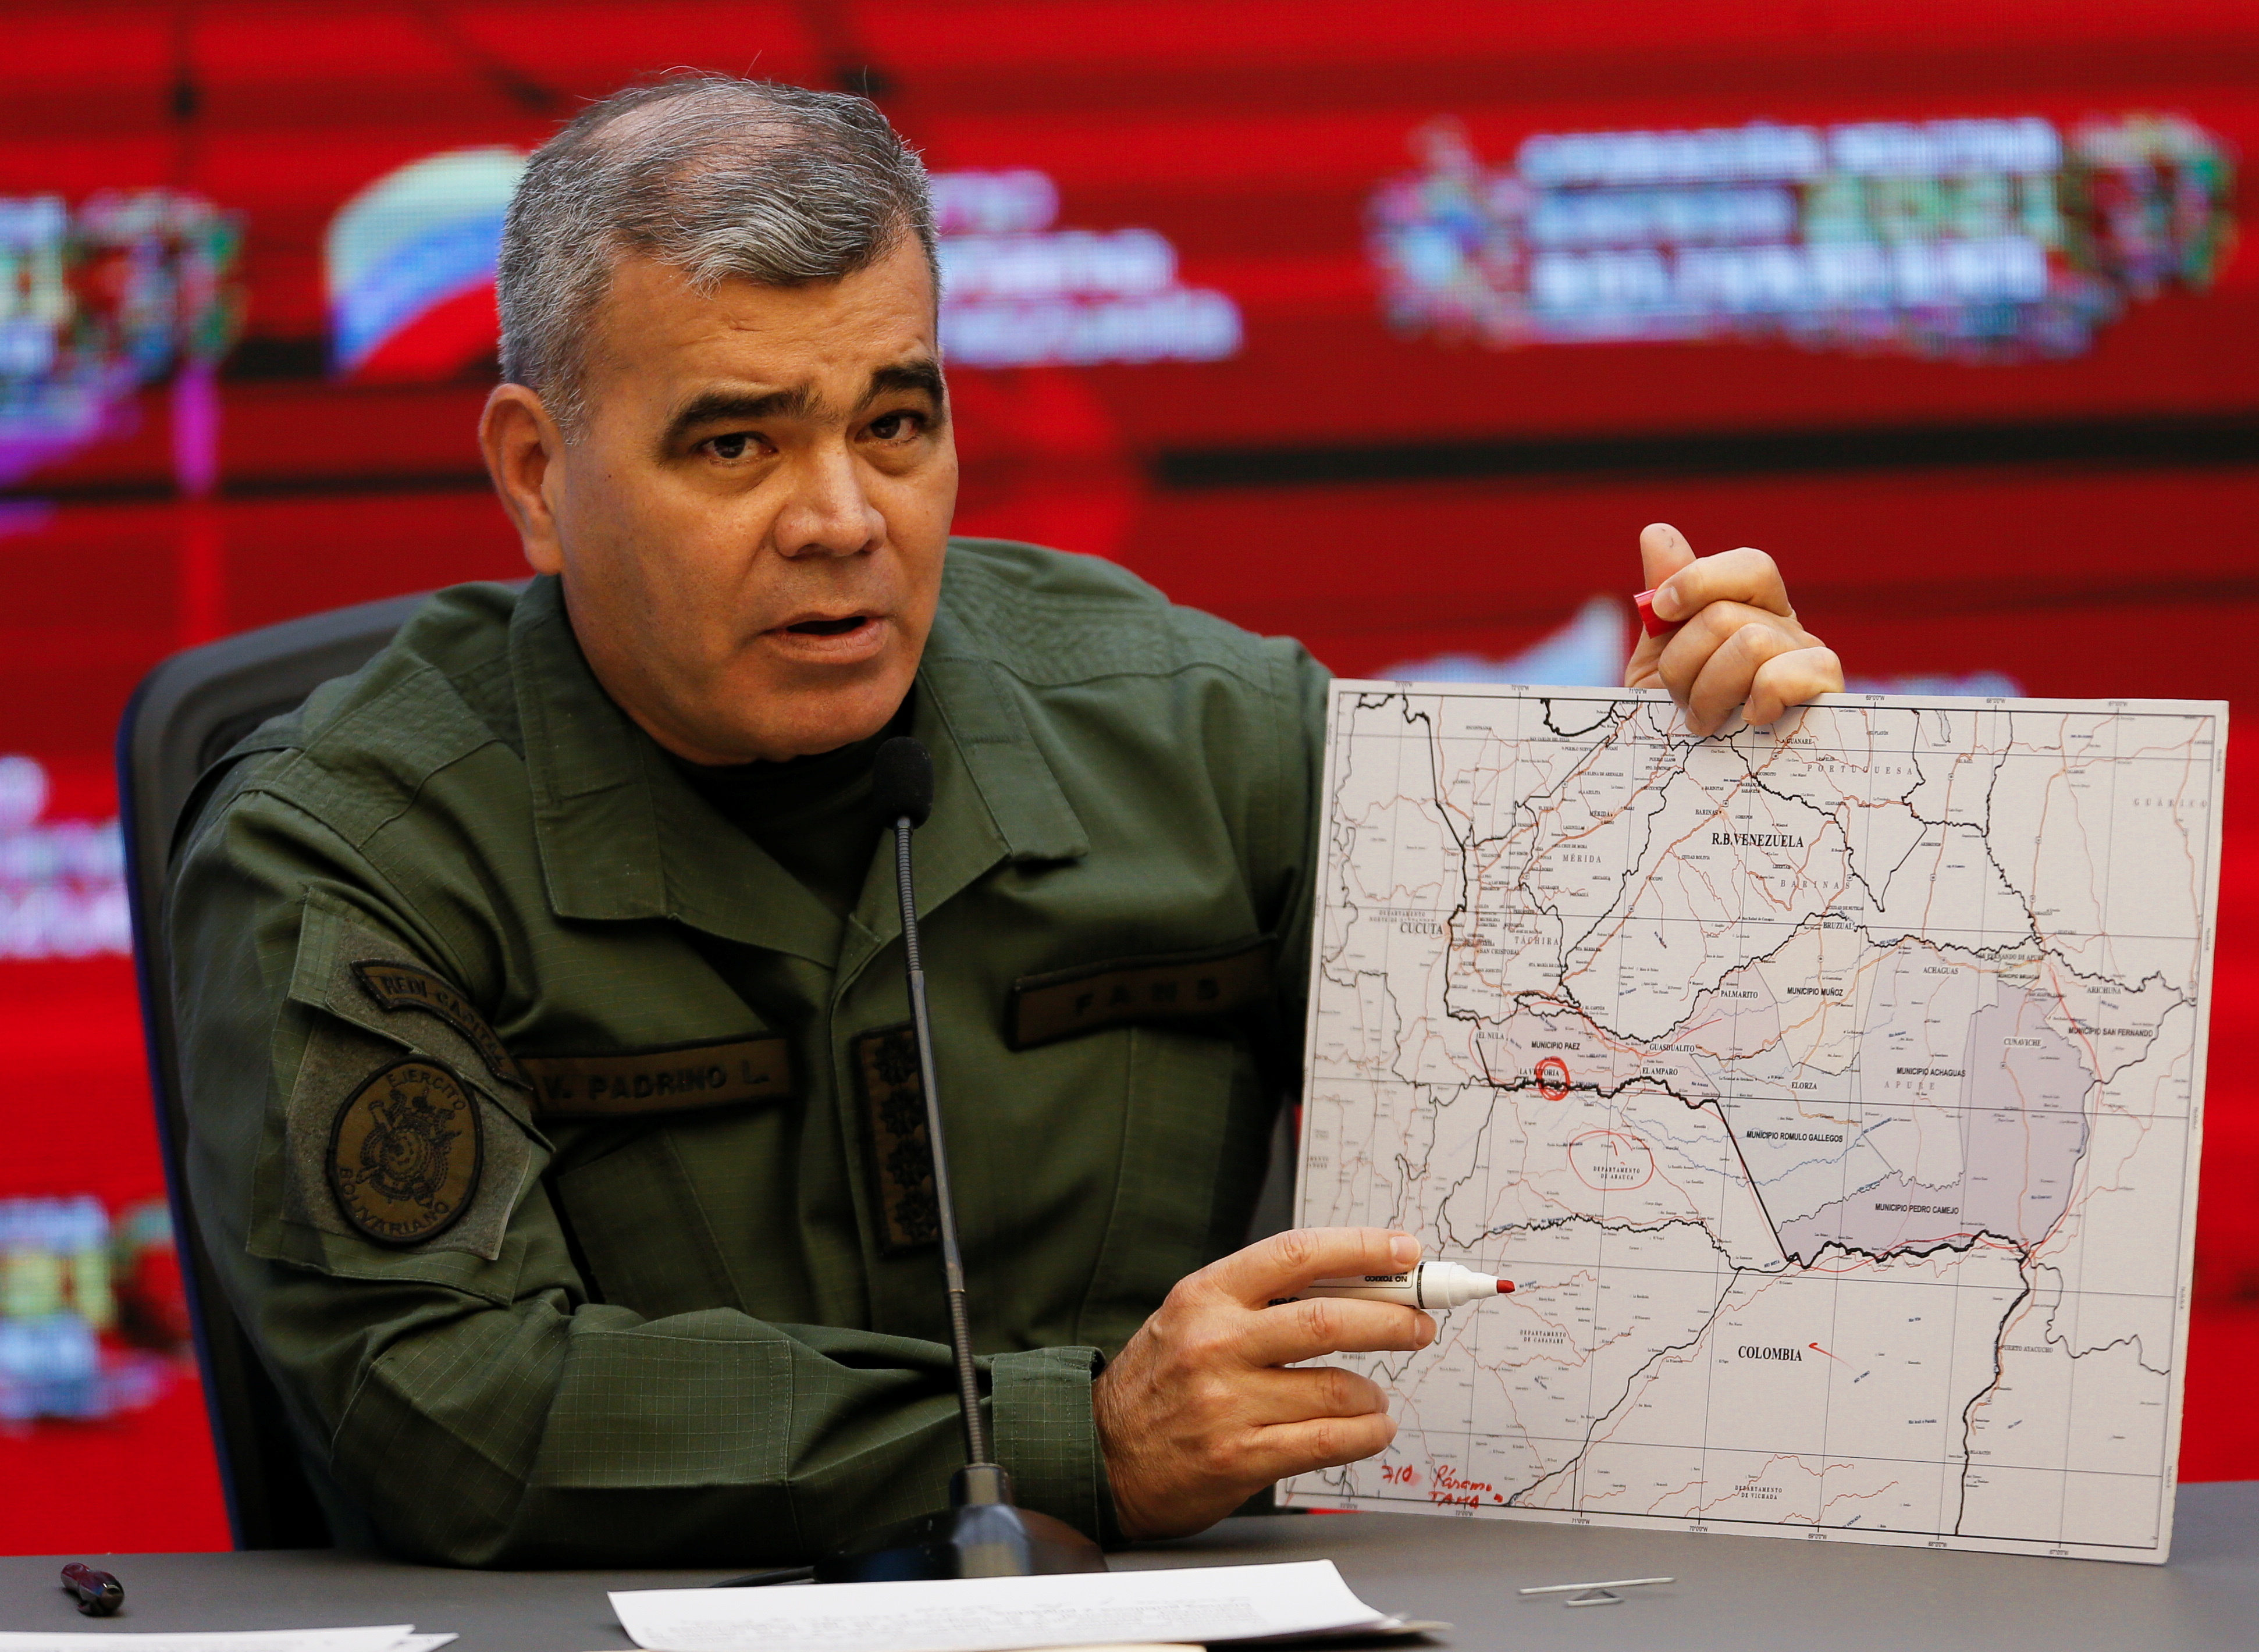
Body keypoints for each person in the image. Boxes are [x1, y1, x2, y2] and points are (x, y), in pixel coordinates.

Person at [169, 74, 1841, 1566]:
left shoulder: (1204, 733)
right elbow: (445, 1407)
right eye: (737, 444)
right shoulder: (351, 845)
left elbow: (1570, 1129)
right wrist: (1078, 1440)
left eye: (894, 424)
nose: (843, 519)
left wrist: (1664, 823)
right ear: (537, 475)